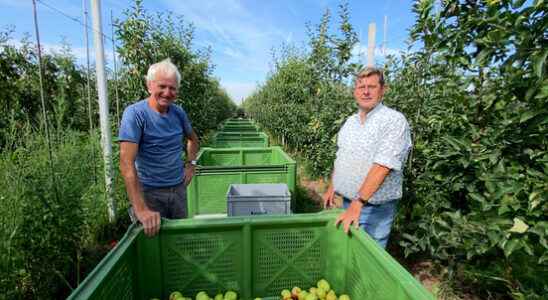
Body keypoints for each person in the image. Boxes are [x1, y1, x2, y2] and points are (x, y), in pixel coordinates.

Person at [323, 67, 412, 248]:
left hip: (373, 209)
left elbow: (383, 166)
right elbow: (342, 156)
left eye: (371, 86)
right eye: (361, 86)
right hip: (349, 202)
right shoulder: (350, 122)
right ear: (355, 91)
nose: (365, 91)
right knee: (348, 252)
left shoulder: (393, 120)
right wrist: (333, 186)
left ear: (383, 89)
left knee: (368, 258)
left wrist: (359, 203)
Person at [119, 59, 199, 237]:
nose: (167, 92)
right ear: (149, 86)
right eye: (162, 86)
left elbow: (193, 140)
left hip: (178, 190)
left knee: (180, 240)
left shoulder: (178, 113)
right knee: (154, 244)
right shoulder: (135, 114)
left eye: (172, 88)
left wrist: (191, 165)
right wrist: (141, 209)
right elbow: (126, 163)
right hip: (149, 194)